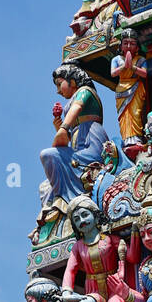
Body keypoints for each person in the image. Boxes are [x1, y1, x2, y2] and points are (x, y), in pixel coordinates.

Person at [62, 196, 139, 302]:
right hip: (94, 290)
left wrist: (134, 233)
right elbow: (70, 270)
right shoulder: (78, 247)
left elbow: (132, 257)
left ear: (96, 217)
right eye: (77, 219)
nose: (82, 221)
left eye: (84, 215)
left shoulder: (111, 240)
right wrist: (66, 290)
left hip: (114, 289)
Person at [39, 64, 111, 210]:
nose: (58, 91)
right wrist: (59, 127)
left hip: (92, 143)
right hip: (78, 144)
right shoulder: (74, 101)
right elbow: (71, 138)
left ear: (72, 81)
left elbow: (77, 107)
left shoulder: (85, 91)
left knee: (49, 155)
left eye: (60, 84)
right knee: (46, 185)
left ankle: (67, 200)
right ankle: (55, 207)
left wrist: (64, 128)